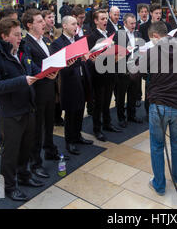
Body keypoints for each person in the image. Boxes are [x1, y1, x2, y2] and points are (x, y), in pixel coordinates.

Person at [0, 18, 45, 201]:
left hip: (28, 108)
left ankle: (24, 176)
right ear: (4, 36)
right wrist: (22, 80)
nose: (20, 37)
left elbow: (32, 68)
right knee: (10, 153)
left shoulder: (22, 50)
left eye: (20, 34)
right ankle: (8, 186)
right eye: (16, 35)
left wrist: (46, 72)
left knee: (26, 147)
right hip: (10, 114)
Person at [130, 21, 177, 196]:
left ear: (156, 36)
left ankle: (159, 184)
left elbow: (134, 75)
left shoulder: (151, 52)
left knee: (157, 145)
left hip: (159, 107)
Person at [22, 9, 62, 177]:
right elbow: (30, 67)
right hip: (38, 91)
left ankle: (50, 149)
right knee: (37, 128)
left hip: (49, 88)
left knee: (49, 122)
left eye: (42, 20)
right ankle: (35, 162)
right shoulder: (26, 44)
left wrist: (57, 68)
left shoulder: (45, 40)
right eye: (39, 21)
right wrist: (47, 72)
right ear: (30, 25)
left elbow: (50, 59)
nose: (44, 23)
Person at [50, 16, 94, 155]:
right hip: (68, 81)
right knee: (70, 112)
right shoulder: (58, 44)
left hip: (82, 78)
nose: (77, 26)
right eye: (73, 24)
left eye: (77, 24)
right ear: (64, 26)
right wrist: (80, 61)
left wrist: (88, 58)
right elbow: (61, 65)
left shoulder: (79, 40)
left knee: (81, 109)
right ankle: (70, 141)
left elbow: (83, 60)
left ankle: (78, 135)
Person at [87, 10, 122, 142]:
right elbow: (92, 57)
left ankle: (107, 123)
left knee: (107, 101)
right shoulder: (92, 36)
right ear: (96, 21)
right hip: (99, 75)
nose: (105, 21)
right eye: (102, 19)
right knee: (99, 103)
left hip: (110, 73)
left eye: (106, 19)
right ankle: (97, 129)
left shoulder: (110, 34)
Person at [114, 13, 142, 128]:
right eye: (131, 23)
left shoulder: (137, 33)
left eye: (135, 23)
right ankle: (121, 117)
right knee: (121, 96)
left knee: (133, 93)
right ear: (124, 23)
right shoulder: (118, 34)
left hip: (135, 68)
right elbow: (115, 52)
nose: (133, 25)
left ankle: (132, 115)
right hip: (122, 69)